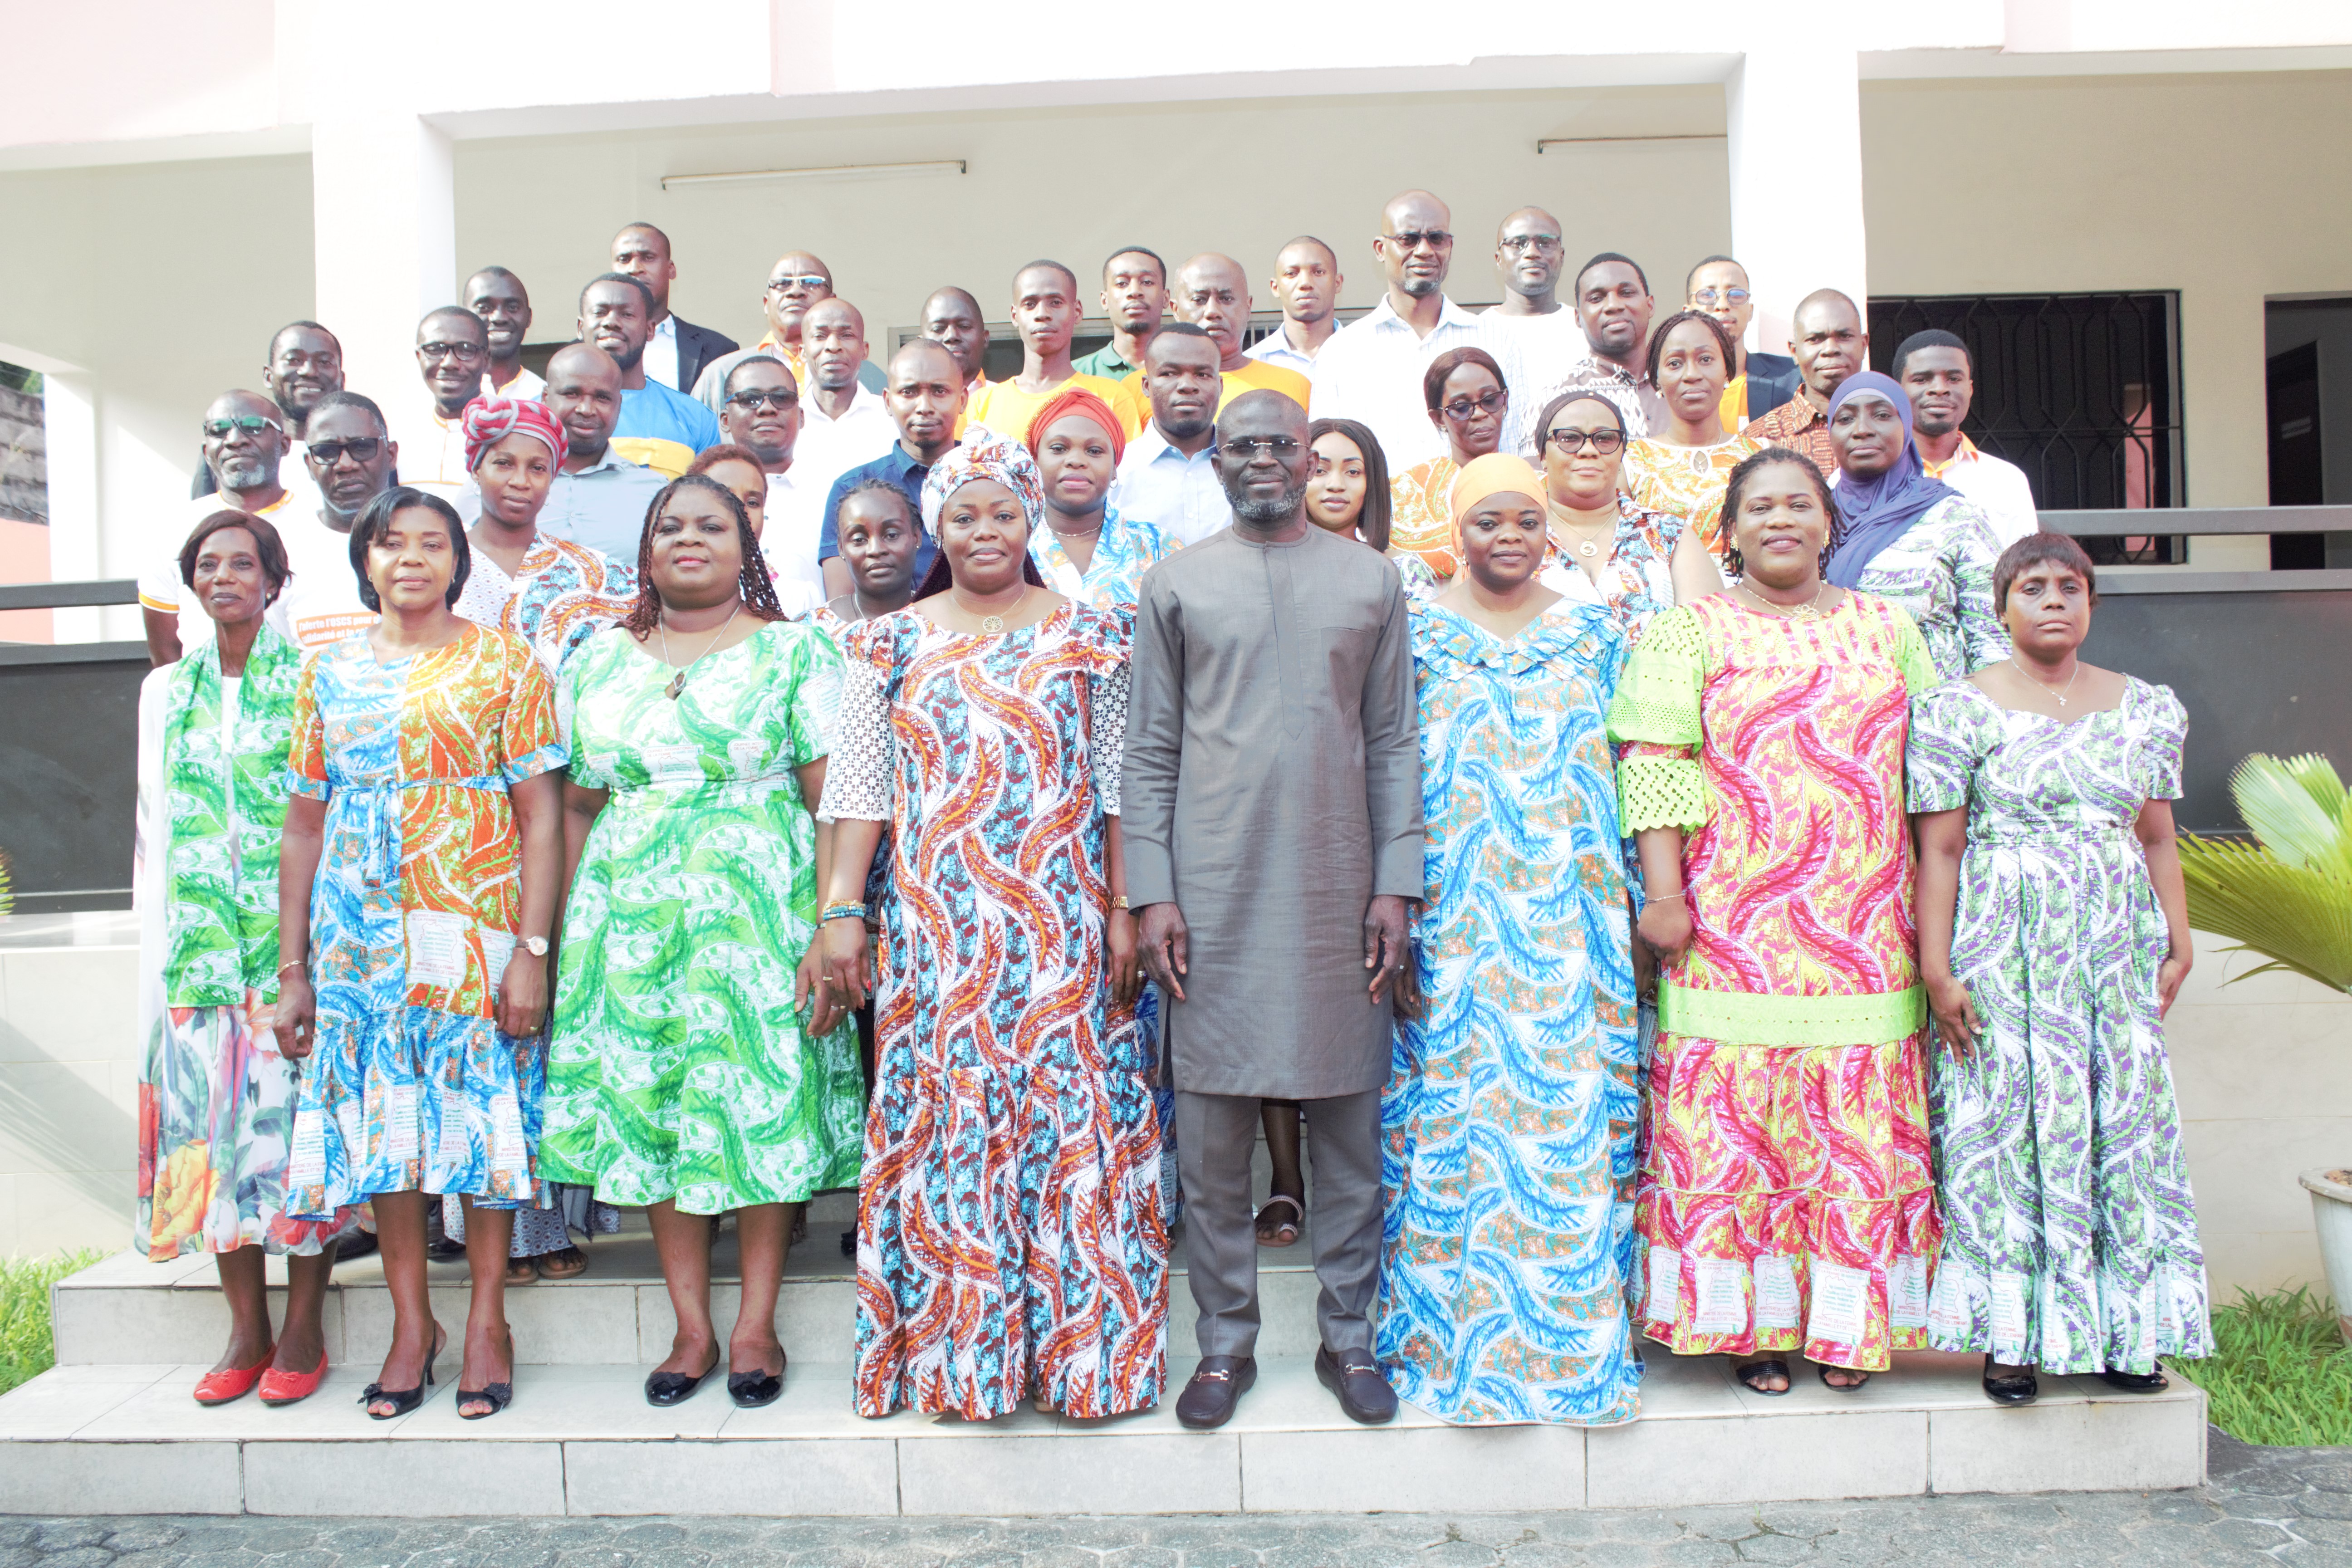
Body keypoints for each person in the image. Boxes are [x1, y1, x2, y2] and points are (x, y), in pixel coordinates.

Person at [812, 433, 1164, 1421]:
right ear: (936, 527)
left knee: (1069, 1132)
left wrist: (1125, 906)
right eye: (962, 516)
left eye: (1002, 513)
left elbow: (1122, 786)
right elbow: (861, 789)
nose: (983, 532)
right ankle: (966, 1363)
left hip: (1061, 928)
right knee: (954, 1127)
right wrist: (844, 911)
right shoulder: (889, 641)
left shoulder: (1093, 632)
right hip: (940, 930)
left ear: (1030, 520)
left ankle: (1085, 1364)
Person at [1608, 447, 1942, 1396]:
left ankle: (1849, 1327)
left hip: (1869, 922)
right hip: (1731, 926)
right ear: (1733, 528)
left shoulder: (1892, 630)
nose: (1781, 520)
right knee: (1741, 1131)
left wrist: (1932, 918)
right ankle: (1748, 1328)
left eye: (1800, 504)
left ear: (1830, 523)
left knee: (1856, 1133)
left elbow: (1935, 782)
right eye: (1760, 507)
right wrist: (1665, 898)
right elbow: (1655, 766)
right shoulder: (1687, 633)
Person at [1125, 390, 1422, 1431]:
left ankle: (1351, 1338)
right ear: (1218, 461)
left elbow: (1390, 741)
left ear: (1309, 458)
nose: (1262, 460)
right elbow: (1149, 752)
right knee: (1209, 1139)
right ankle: (1222, 1345)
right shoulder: (1175, 583)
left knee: (1348, 1128)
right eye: (1242, 444)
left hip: (1342, 887)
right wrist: (1149, 890)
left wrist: (1395, 879)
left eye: (1280, 445)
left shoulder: (1369, 578)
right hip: (1208, 894)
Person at [541, 472, 862, 1411]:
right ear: (645, 552)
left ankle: (756, 1320)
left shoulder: (797, 654)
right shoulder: (595, 660)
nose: (691, 539)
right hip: (627, 920)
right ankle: (691, 1324)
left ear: (744, 547)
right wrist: (561, 940)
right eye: (671, 526)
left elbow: (831, 800)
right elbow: (575, 805)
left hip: (759, 914)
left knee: (759, 1102)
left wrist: (831, 922)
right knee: (651, 1106)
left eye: (712, 526)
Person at [275, 486, 566, 1422]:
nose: (411, 558)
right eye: (391, 543)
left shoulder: (507, 662)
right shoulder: (325, 671)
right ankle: (413, 1327)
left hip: (470, 924)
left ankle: (486, 1320)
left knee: (479, 1124)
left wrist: (532, 948)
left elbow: (542, 817)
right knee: (384, 1132)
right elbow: (303, 827)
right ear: (365, 561)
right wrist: (294, 971)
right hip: (357, 941)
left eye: (432, 543)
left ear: (457, 561)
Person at [1909, 533, 2209, 1406]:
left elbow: (2155, 835)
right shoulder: (1952, 709)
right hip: (2002, 944)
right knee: (2005, 1130)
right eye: (2030, 587)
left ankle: (2125, 1331)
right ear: (1998, 608)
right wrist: (1936, 968)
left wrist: (2177, 938)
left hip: (2112, 945)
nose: (2051, 601)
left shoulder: (2146, 708)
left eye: (2068, 587)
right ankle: (2009, 1338)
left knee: (2117, 1125)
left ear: (2090, 604)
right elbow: (1940, 848)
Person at [1377, 454, 1642, 1427]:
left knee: (1568, 1118)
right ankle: (1452, 1343)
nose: (1510, 537)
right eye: (1489, 520)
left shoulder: (1595, 631)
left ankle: (1572, 1348)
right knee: (1455, 1119)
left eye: (1526, 521)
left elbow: (1638, 760)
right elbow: (1381, 767)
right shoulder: (1410, 636)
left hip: (1575, 916)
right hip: (1454, 917)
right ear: (1457, 530)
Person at [134, 510, 358, 1408]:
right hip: (194, 962)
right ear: (192, 583)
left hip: (289, 961)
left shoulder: (311, 682)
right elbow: (151, 830)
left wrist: (316, 955)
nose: (223, 576)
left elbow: (327, 823)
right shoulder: (164, 692)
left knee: (298, 1138)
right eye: (207, 564)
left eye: (243, 563)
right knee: (212, 1141)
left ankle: (303, 1322)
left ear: (275, 581)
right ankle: (245, 1326)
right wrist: (154, 961)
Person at [1821, 371, 2005, 680]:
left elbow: (1993, 641)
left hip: (1930, 713)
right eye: (1845, 419)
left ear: (1906, 427)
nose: (1862, 430)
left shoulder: (1956, 518)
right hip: (1833, 713)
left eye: (1881, 415)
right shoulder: (1811, 520)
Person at [455, 395, 638, 684]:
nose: (520, 481)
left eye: (538, 468)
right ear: (477, 470)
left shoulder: (596, 575)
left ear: (552, 477)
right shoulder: (441, 563)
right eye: (503, 463)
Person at [1308, 190, 1485, 472]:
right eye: (1409, 239)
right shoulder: (1342, 351)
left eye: (1436, 238)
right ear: (1380, 249)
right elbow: (1325, 461)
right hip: (1377, 516)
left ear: (1450, 246)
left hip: (1472, 513)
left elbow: (1514, 450)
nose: (1425, 250)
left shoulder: (1492, 338)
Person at [143, 392, 318, 664]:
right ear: (206, 451)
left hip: (296, 698)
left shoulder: (318, 523)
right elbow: (164, 650)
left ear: (285, 444)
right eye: (219, 430)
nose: (235, 440)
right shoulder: (175, 529)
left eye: (254, 426)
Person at [1532, 392, 1722, 643]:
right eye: (1569, 438)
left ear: (1622, 454)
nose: (1589, 450)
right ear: (1543, 456)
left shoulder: (1669, 535)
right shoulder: (1513, 537)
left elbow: (1709, 640)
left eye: (1605, 439)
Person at [818, 338, 960, 598]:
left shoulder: (993, 481)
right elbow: (844, 608)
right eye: (909, 392)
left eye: (940, 391)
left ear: (962, 400)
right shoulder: (853, 489)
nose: (925, 407)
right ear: (887, 401)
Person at [1622, 310, 1763, 559]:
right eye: (1675, 363)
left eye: (1706, 359)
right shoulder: (1632, 462)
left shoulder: (1760, 456)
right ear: (1656, 380)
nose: (1692, 375)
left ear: (1728, 372)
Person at [1026, 387, 1178, 607]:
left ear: (1115, 467)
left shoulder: (1158, 546)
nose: (1076, 460)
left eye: (1095, 451)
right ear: (1035, 461)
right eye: (1059, 448)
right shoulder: (1010, 544)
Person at [967, 260, 1148, 442]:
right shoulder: (983, 402)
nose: (1042, 314)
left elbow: (1130, 469)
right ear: (1015, 316)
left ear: (1077, 312)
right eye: (1030, 304)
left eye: (1055, 302)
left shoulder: (1112, 397)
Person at [1896, 330, 2040, 547]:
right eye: (1922, 379)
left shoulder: (2008, 481)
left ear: (1970, 389)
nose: (1939, 389)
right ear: (1898, 390)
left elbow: (2023, 570)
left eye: (1953, 379)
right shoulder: (1863, 479)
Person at [275, 391, 396, 651]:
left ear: (392, 454)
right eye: (327, 451)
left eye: (362, 447)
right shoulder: (280, 553)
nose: (345, 464)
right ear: (309, 465)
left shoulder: (437, 543)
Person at [1520, 253, 1671, 454]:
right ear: (1578, 318)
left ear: (1650, 305)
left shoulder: (1686, 387)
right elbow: (1537, 484)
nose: (1614, 306)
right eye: (1597, 298)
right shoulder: (1550, 402)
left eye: (1626, 293)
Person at [1386, 346, 1509, 583]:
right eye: (1461, 407)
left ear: (1504, 401)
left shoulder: (1538, 487)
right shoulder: (1403, 493)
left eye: (1491, 400)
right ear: (1438, 417)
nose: (1479, 414)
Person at [711, 356, 824, 614]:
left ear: (802, 417)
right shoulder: (699, 498)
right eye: (749, 399)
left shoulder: (835, 495)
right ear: (725, 420)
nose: (766, 409)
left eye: (782, 398)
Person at [581, 274, 721, 478]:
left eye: (627, 314)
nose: (611, 322)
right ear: (580, 327)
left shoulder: (696, 419)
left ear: (650, 330)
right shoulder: (548, 413)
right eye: (600, 313)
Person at [539, 343, 668, 564]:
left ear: (619, 404)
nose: (587, 409)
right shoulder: (503, 482)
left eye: (602, 398)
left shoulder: (655, 493)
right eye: (572, 394)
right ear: (545, 398)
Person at [694, 251, 867, 411]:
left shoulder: (863, 374)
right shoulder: (722, 374)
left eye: (811, 282)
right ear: (766, 304)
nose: (796, 291)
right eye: (783, 283)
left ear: (831, 301)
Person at [189, 323, 344, 500]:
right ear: (268, 376)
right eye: (294, 360)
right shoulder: (230, 451)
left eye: (324, 362)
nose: (309, 371)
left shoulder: (367, 453)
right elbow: (205, 521)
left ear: (342, 379)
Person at [1138, 254, 1310, 411]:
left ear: (1248, 307)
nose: (1213, 311)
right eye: (1199, 300)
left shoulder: (1294, 385)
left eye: (1226, 299)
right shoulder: (1144, 388)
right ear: (1175, 310)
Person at [1109, 324, 1230, 546]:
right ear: (1146, 386)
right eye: (1169, 373)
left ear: (1220, 386)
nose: (1186, 386)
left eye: (1202, 374)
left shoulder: (1245, 467)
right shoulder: (1116, 471)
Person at [1477, 209, 1584, 453]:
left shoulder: (1585, 328)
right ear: (1498, 258)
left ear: (1562, 255)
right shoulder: (1476, 333)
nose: (1532, 253)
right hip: (1501, 478)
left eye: (1545, 243)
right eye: (1518, 243)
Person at [1744, 289, 1868, 479]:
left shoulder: (1891, 426)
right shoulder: (1759, 438)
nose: (1830, 349)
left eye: (1844, 336)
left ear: (1864, 344)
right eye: (1815, 340)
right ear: (1794, 351)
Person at [611, 222, 739, 393]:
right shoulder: (581, 351)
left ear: (671, 269)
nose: (634, 269)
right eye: (624, 260)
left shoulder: (719, 349)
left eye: (648, 257)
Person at [388, 306, 492, 517]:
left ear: (486, 359)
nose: (449, 363)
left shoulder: (510, 430)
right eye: (435, 349)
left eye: (465, 349)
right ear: (419, 357)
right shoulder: (396, 432)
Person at [789, 298, 896, 497]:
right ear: (803, 353)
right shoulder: (785, 421)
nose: (833, 346)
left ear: (865, 350)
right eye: (820, 336)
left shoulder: (893, 418)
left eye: (846, 335)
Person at [1686, 256, 1797, 429]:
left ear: (1750, 311)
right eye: (1707, 295)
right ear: (1687, 313)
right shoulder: (1670, 386)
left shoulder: (1792, 379)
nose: (1722, 305)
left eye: (1736, 294)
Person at [818, 478, 925, 630]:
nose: (875, 550)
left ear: (917, 537)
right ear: (841, 548)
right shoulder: (813, 631)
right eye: (859, 539)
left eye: (892, 535)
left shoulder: (947, 623)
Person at [1248, 237, 1344, 375]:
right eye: (1291, 274)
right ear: (1275, 287)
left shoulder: (1367, 354)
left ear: (1338, 283)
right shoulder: (1254, 362)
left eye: (1318, 272)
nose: (1305, 283)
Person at [1074, 246, 1170, 380]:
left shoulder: (1192, 369)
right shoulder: (1076, 375)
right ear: (1104, 300)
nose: (1135, 292)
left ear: (1166, 298)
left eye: (1147, 282)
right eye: (1122, 283)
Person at [1304, 417, 1393, 553]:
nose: (1336, 485)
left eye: (1353, 472)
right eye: (1320, 471)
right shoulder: (1269, 561)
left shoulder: (1397, 568)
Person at [465, 267, 542, 398]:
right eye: (484, 308)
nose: (499, 318)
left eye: (512, 307)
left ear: (529, 318)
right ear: (465, 317)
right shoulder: (433, 401)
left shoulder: (545, 398)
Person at [919, 285, 993, 407]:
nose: (952, 336)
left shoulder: (1009, 404)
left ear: (985, 339)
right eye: (939, 329)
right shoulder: (906, 411)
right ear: (921, 345)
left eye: (964, 327)